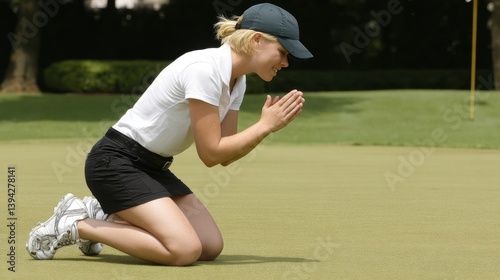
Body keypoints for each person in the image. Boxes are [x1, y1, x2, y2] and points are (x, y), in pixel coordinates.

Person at [26, 2, 313, 266]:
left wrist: (266, 128)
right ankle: (76, 225)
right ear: (257, 40)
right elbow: (211, 153)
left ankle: (101, 213)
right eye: (283, 52)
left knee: (210, 246)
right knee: (184, 250)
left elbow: (225, 155)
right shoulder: (205, 69)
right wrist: (264, 126)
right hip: (114, 163)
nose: (285, 62)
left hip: (152, 168)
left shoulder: (237, 83)